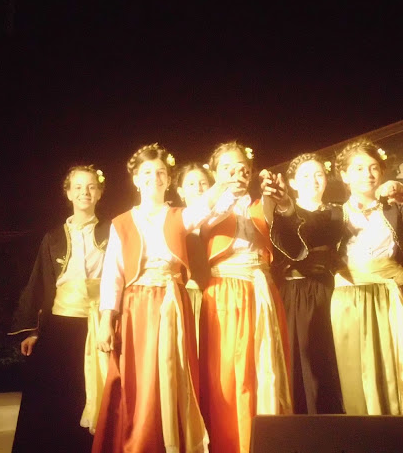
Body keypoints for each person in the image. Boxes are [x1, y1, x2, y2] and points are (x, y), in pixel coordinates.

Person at [93, 143, 239, 453]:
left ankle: (174, 441)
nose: (154, 178)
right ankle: (141, 442)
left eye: (160, 172)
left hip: (173, 303)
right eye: (147, 172)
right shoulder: (122, 223)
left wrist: (223, 182)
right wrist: (107, 319)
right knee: (142, 379)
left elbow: (205, 207)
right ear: (136, 179)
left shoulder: (178, 216)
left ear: (169, 180)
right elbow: (113, 276)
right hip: (137, 306)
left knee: (174, 374)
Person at [199, 141, 293, 453]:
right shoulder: (205, 205)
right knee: (230, 371)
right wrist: (225, 190)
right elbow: (205, 220)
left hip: (261, 288)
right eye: (227, 168)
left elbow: (272, 216)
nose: (236, 174)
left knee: (267, 367)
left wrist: (276, 197)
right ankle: (232, 442)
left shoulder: (257, 205)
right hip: (226, 292)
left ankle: (270, 440)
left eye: (242, 169)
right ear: (215, 173)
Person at [9, 165, 110, 453]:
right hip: (62, 327)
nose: (84, 192)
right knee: (58, 394)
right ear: (68, 193)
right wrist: (33, 331)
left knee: (95, 390)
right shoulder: (53, 237)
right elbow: (40, 283)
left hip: (101, 325)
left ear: (99, 193)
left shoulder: (114, 231)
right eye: (78, 187)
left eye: (91, 187)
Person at [331, 139, 403, 415]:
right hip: (351, 299)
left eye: (373, 167)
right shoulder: (334, 214)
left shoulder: (395, 208)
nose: (367, 174)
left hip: (391, 294)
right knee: (359, 368)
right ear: (345, 175)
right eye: (359, 168)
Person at [270, 153, 345, 414]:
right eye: (304, 175)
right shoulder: (282, 212)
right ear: (292, 182)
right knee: (300, 359)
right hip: (294, 293)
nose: (313, 180)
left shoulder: (338, 212)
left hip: (330, 293)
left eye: (318, 174)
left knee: (330, 360)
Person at [176, 162, 214, 349]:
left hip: (220, 294)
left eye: (203, 183)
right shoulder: (176, 221)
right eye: (191, 184)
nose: (198, 188)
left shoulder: (222, 218)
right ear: (180, 191)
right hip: (189, 297)